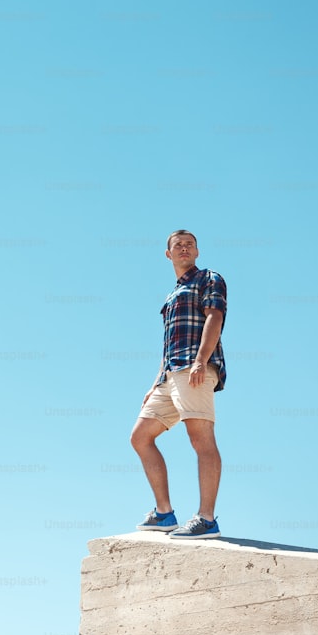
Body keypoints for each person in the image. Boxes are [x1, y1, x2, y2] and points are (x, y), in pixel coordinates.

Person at [130, 230, 227, 539]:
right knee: (140, 437)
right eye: (177, 245)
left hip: (194, 368)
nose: (184, 248)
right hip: (169, 374)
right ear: (168, 254)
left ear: (197, 252)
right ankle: (164, 513)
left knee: (201, 439)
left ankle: (206, 518)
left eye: (189, 245)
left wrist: (201, 359)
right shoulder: (172, 294)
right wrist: (155, 381)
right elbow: (167, 343)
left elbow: (215, 318)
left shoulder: (209, 278)